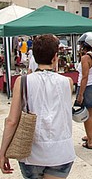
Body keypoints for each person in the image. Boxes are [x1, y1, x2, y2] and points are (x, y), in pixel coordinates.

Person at [0, 34, 75, 178]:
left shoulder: (22, 82)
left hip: (32, 153)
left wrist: (2, 152)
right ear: (55, 57)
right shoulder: (67, 82)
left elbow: (12, 121)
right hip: (61, 152)